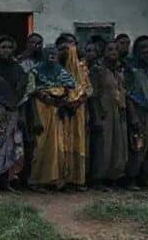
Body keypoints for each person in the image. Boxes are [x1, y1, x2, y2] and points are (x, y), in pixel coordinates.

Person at [0, 35, 31, 191]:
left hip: (13, 112)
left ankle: (6, 182)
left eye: (10, 47)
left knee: (11, 147)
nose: (6, 50)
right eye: (3, 47)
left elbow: (23, 95)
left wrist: (21, 115)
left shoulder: (18, 69)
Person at [28, 44, 75, 190]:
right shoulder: (35, 71)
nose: (52, 56)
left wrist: (60, 100)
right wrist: (43, 95)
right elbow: (30, 91)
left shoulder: (61, 71)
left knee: (58, 145)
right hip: (41, 110)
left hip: (57, 112)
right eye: (48, 53)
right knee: (41, 145)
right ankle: (38, 180)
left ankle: (55, 180)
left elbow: (70, 87)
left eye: (54, 54)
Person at [88, 40, 129, 190]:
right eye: (110, 49)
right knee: (103, 146)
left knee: (117, 146)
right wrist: (97, 116)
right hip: (104, 113)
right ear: (103, 52)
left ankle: (114, 177)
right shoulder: (97, 70)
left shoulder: (118, 72)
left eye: (116, 49)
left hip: (117, 112)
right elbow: (93, 95)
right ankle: (98, 179)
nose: (113, 52)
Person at [125, 36, 148, 190]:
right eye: (142, 48)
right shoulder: (131, 70)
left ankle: (145, 177)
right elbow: (128, 95)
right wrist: (133, 117)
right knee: (137, 146)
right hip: (138, 111)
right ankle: (131, 178)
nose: (146, 51)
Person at [60, 36, 92, 191]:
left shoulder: (82, 68)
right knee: (62, 143)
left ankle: (77, 179)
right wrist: (64, 103)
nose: (67, 51)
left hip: (78, 110)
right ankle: (62, 178)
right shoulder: (56, 68)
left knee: (78, 142)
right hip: (59, 111)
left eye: (70, 47)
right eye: (63, 48)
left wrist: (76, 103)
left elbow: (88, 90)